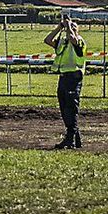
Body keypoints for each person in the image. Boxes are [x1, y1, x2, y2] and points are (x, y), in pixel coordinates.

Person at [44, 14, 86, 149]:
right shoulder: (62, 43)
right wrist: (59, 27)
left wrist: (68, 26)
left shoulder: (79, 42)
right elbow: (48, 40)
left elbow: (73, 38)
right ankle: (75, 136)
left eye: (74, 27)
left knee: (71, 108)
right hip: (63, 77)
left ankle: (70, 139)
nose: (70, 28)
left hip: (73, 78)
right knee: (64, 108)